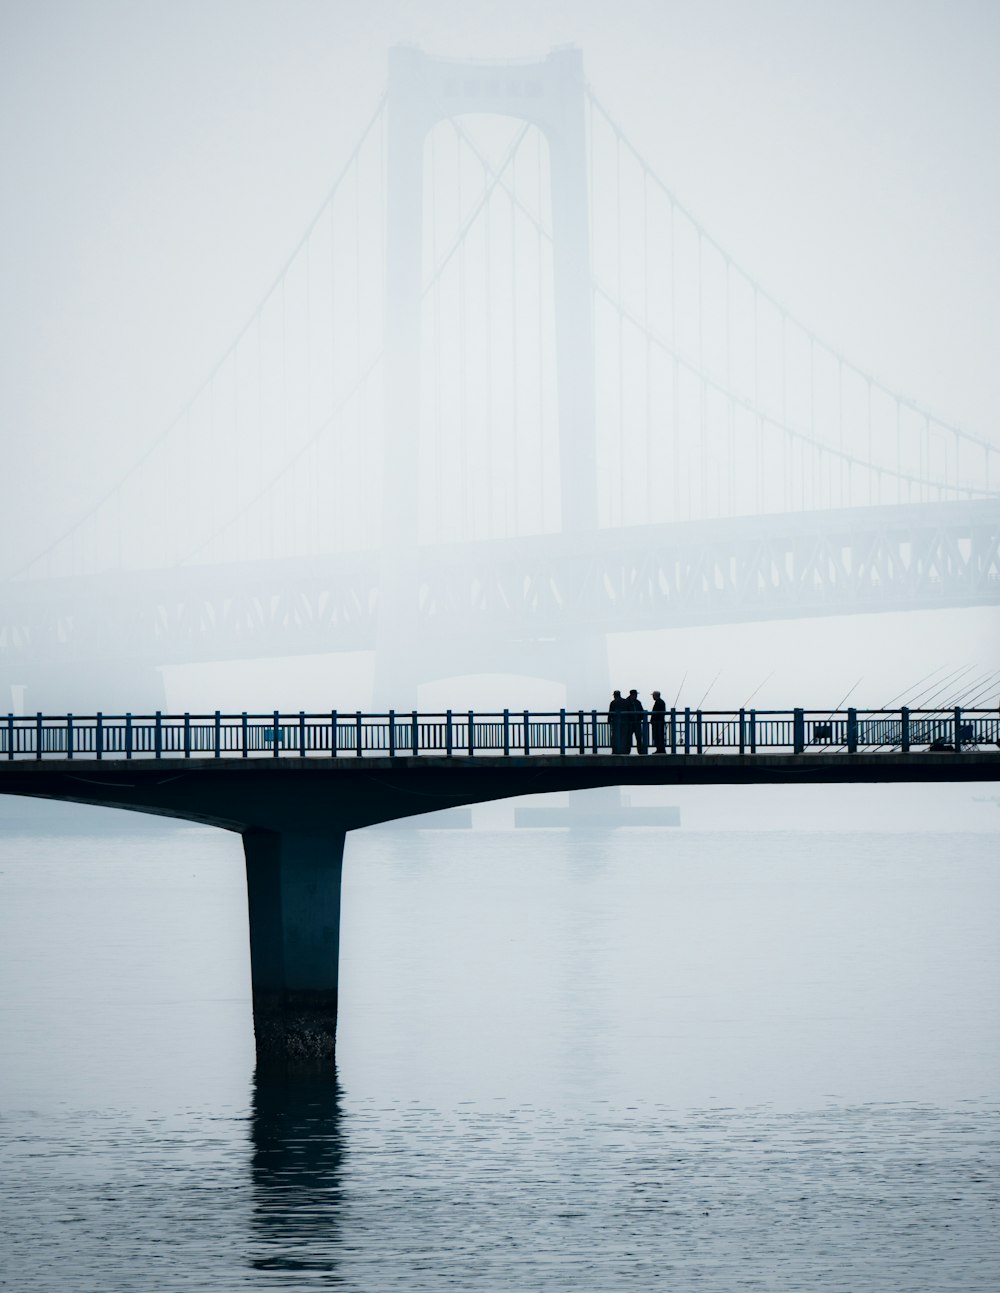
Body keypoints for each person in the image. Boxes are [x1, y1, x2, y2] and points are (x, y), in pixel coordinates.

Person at [625, 688, 647, 754]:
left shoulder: (638, 702)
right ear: (632, 695)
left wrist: (640, 718)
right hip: (630, 723)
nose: (636, 696)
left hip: (637, 723)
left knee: (639, 738)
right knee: (628, 738)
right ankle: (627, 751)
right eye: (635, 694)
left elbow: (641, 711)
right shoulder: (627, 702)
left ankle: (640, 751)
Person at [608, 689, 626, 754]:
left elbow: (610, 712)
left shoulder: (613, 702)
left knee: (615, 737)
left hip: (615, 722)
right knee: (623, 736)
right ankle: (623, 750)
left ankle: (615, 750)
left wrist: (609, 720)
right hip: (624, 722)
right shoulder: (625, 701)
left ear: (615, 695)